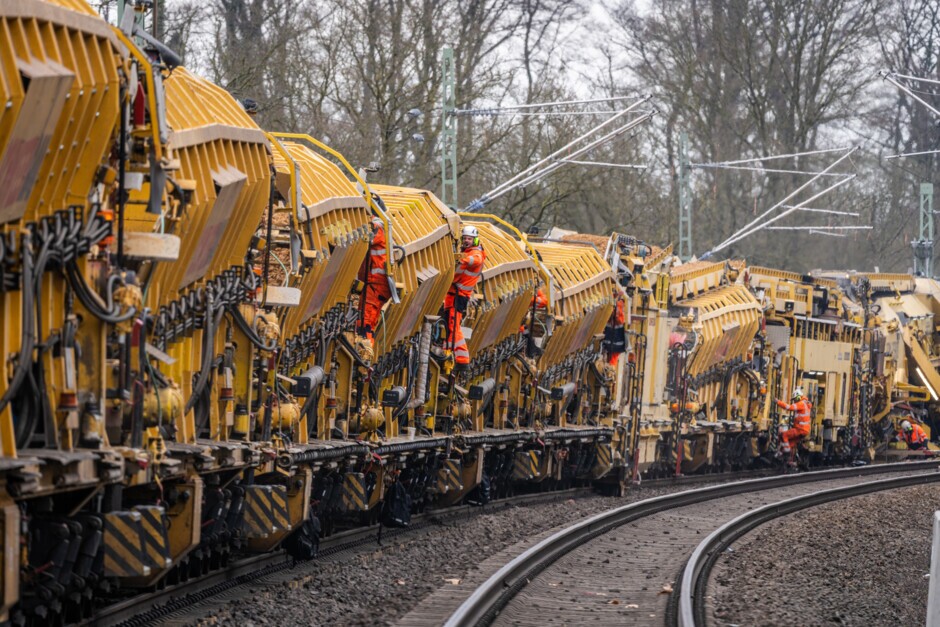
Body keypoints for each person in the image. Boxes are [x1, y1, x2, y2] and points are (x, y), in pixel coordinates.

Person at [443, 225, 486, 370]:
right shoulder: (466, 252)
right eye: (465, 238)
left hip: (459, 296)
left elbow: (476, 259)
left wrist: (463, 260)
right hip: (453, 295)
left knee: (453, 327)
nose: (467, 241)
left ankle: (461, 360)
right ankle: (447, 353)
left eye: (470, 239)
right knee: (449, 326)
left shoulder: (475, 253)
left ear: (475, 240)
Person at [356, 215, 391, 344]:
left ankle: (364, 349)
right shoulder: (384, 225)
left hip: (375, 284)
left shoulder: (377, 227)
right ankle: (367, 348)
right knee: (369, 321)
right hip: (379, 284)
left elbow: (365, 239)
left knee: (365, 321)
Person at [775, 388, 812, 454]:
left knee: (784, 435)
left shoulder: (801, 404)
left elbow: (789, 407)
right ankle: (789, 457)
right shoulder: (806, 404)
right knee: (790, 444)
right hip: (804, 430)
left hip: (800, 429)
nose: (794, 401)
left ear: (798, 397)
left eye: (795, 399)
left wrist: (778, 402)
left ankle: (786, 452)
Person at [604, 290, 627, 366]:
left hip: (613, 340)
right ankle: (610, 367)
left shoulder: (618, 304)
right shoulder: (619, 304)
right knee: (612, 359)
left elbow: (616, 315)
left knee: (612, 359)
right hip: (613, 341)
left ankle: (610, 367)